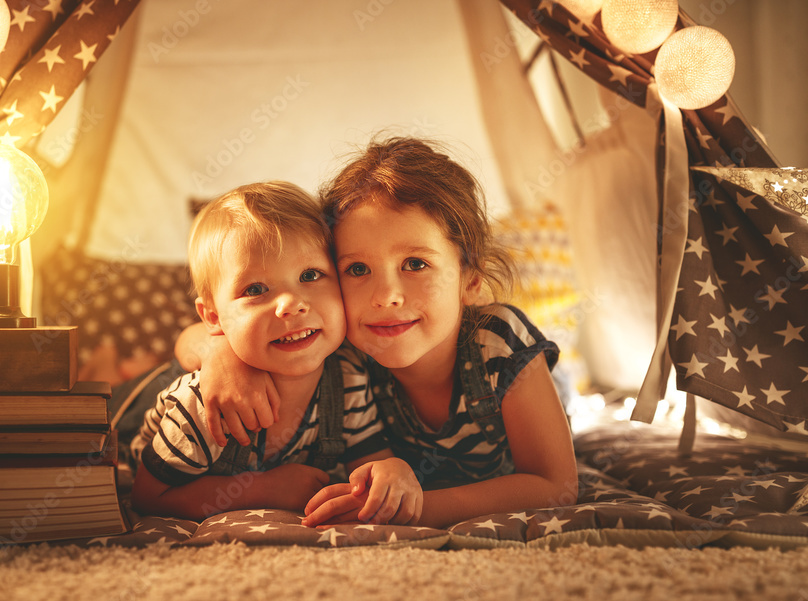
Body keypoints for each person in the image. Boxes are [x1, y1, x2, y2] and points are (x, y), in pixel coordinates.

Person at [183, 138, 578, 529]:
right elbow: (188, 339)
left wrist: (413, 507)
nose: (386, 296)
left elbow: (555, 484)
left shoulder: (500, 342)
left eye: (415, 263)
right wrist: (224, 357)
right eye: (357, 269)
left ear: (471, 278)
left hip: (542, 385)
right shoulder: (344, 353)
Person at [130, 181, 421, 523]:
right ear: (213, 316)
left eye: (311, 275)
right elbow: (147, 496)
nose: (291, 304)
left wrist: (392, 471)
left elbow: (369, 464)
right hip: (143, 407)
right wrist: (259, 488)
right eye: (256, 289)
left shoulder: (348, 376)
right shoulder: (201, 406)